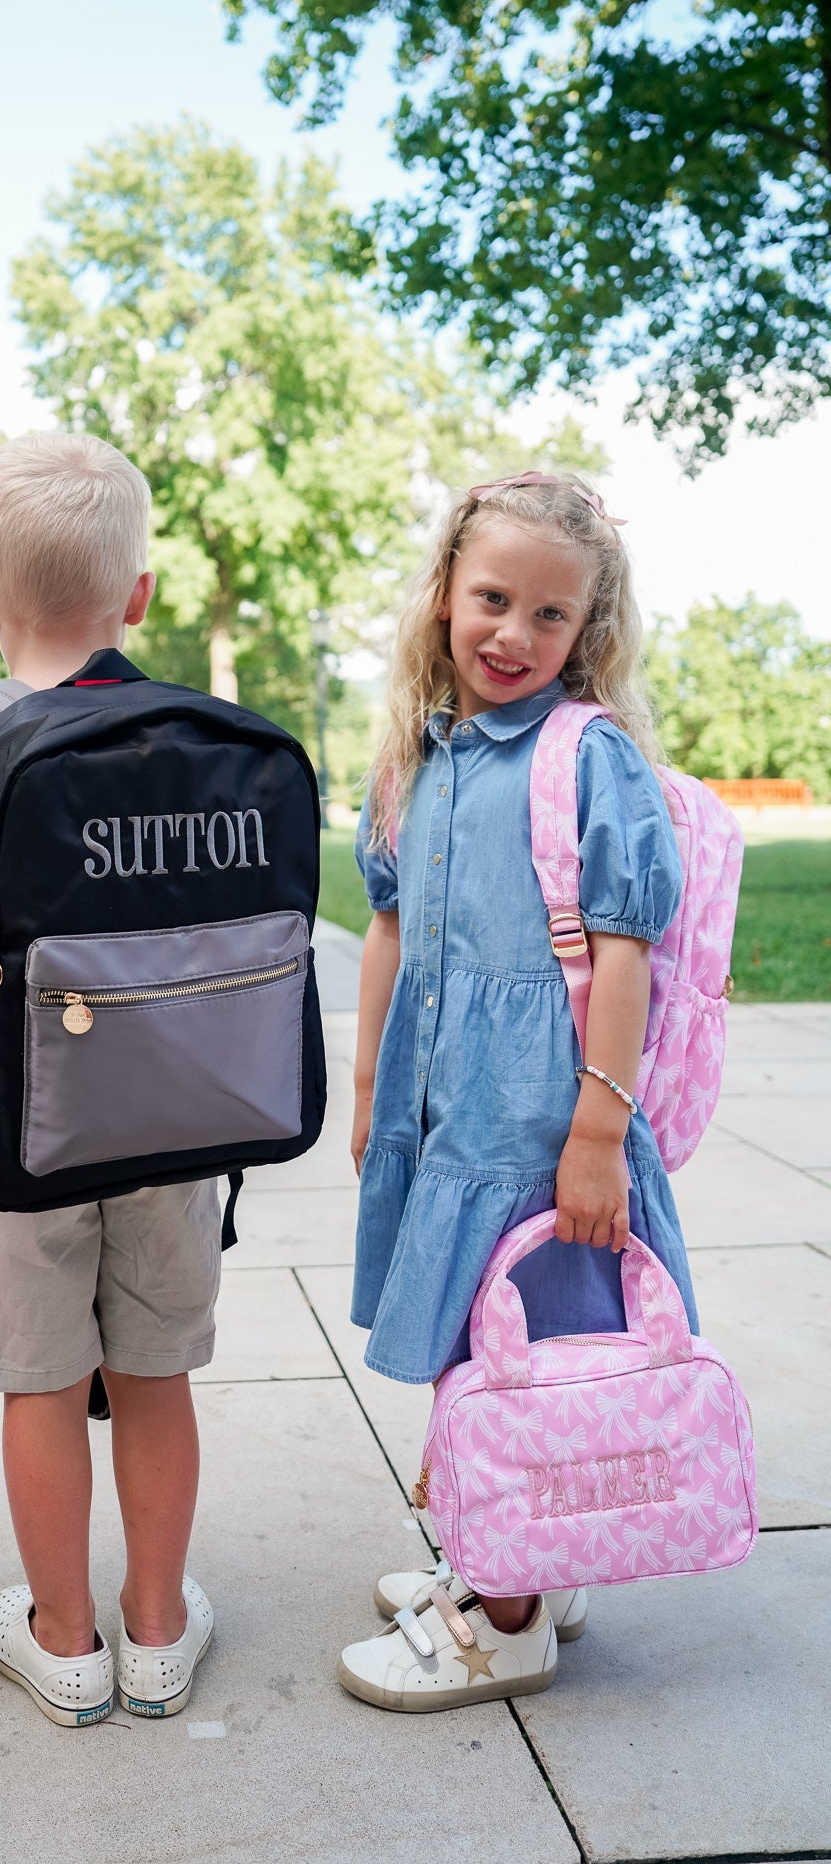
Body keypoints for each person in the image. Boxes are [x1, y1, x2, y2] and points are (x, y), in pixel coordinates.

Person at [336, 470, 695, 1711]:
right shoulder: (416, 756)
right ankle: (520, 1549)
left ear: (585, 628)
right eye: (491, 598)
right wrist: (372, 1078)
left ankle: (503, 1620)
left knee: (529, 1352)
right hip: (446, 1120)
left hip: (538, 1126)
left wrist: (597, 1130)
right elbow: (386, 928)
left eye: (549, 616)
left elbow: (625, 951)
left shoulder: (583, 756)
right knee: (473, 1351)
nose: (513, 634)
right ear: (443, 592)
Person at [0, 431, 217, 1727]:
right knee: (153, 1372)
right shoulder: (188, 740)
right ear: (137, 596)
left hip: (19, 1132)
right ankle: (159, 1627)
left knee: (36, 1382)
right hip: (176, 1125)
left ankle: (62, 1640)